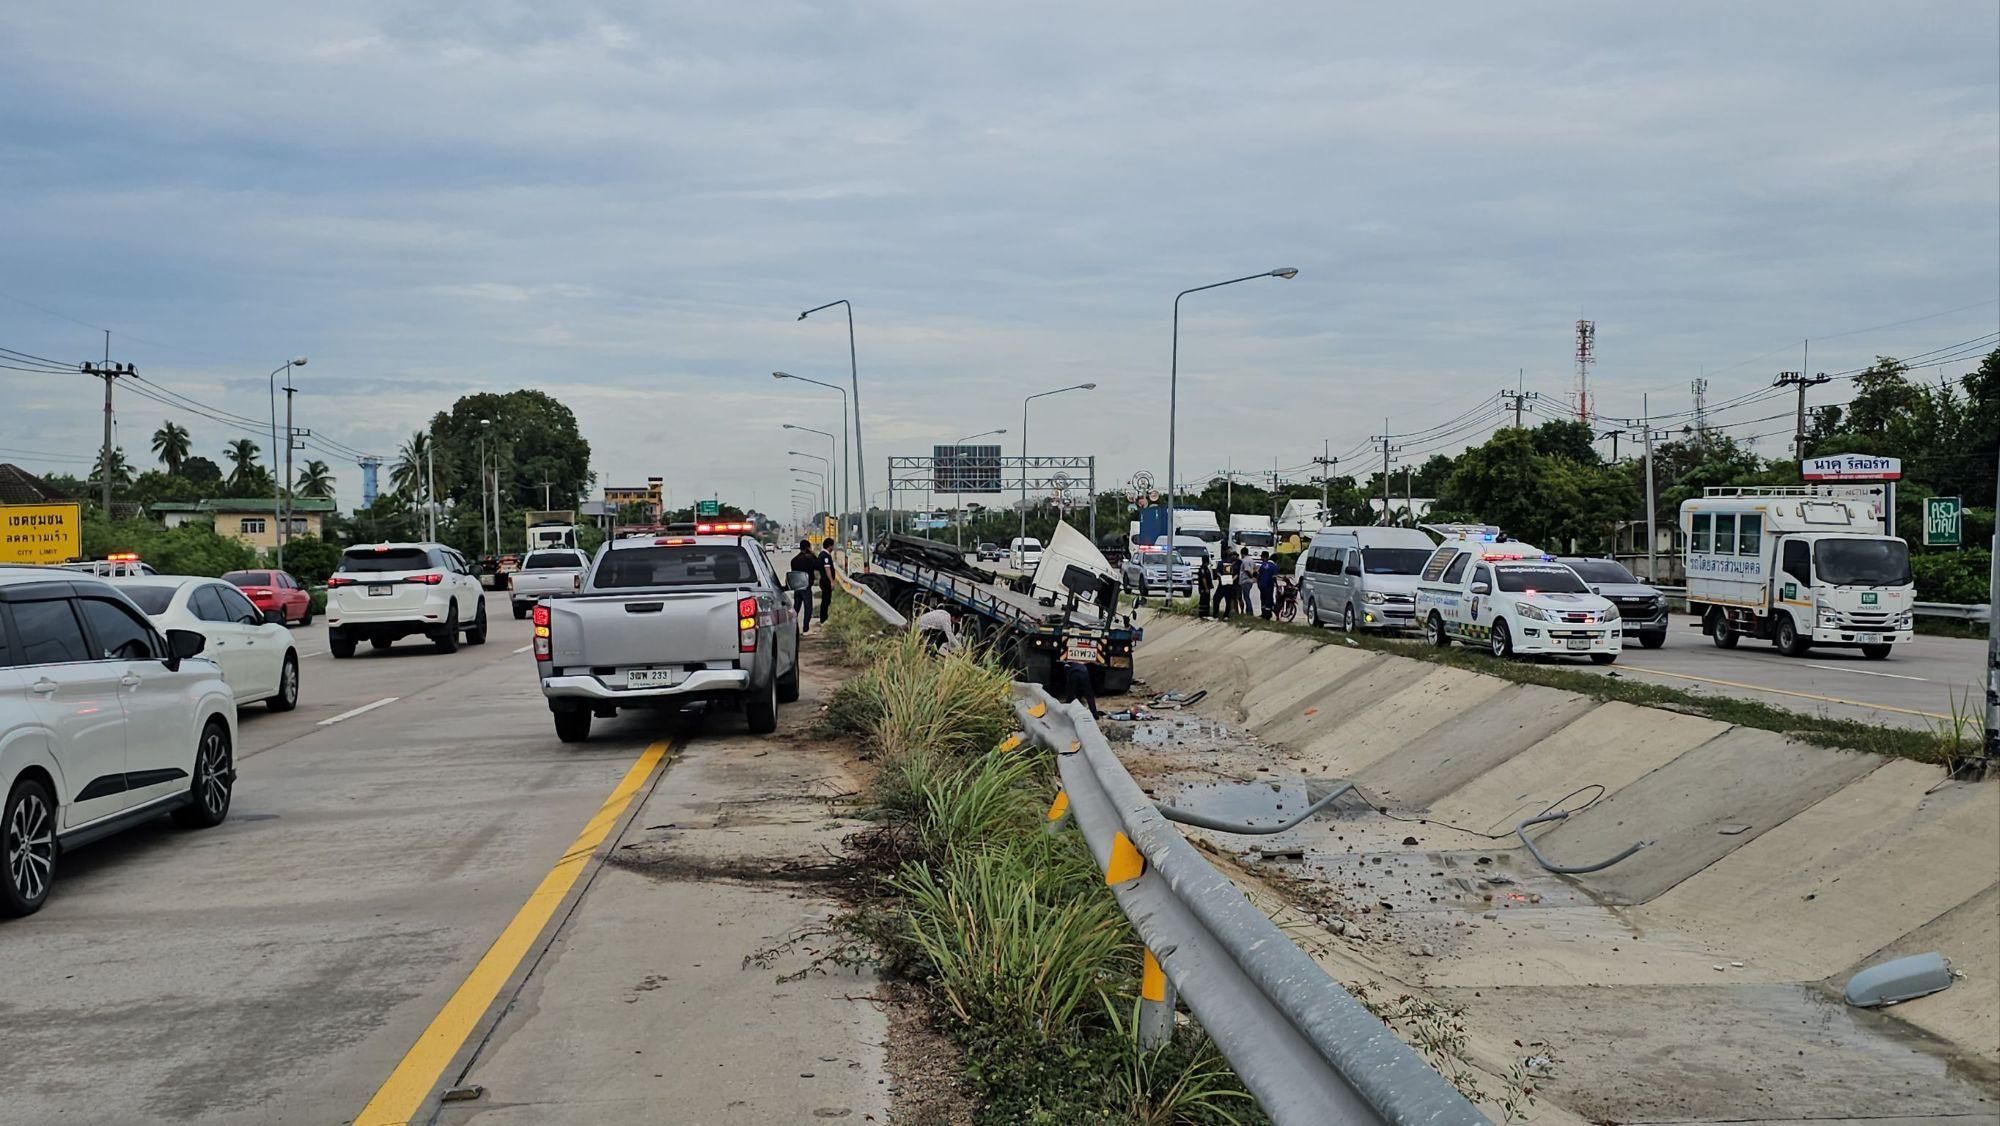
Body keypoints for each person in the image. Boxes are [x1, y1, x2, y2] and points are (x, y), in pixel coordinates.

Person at [788, 539, 821, 632]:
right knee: (808, 608)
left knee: (796, 608)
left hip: (797, 587)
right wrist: (813, 554)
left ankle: (793, 627)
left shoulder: (794, 560)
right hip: (806, 587)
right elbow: (818, 566)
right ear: (807, 548)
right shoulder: (809, 558)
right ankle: (805, 627)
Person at [817, 537, 838, 625]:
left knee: (826, 599)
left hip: (824, 580)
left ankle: (824, 618)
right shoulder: (825, 556)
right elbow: (827, 569)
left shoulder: (823, 554)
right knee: (825, 600)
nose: (833, 548)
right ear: (829, 546)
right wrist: (831, 581)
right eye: (832, 546)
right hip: (826, 581)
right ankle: (823, 619)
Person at [1257, 550, 1279, 620]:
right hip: (1269, 586)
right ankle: (1267, 615)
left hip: (1261, 586)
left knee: (1263, 599)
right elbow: (1274, 578)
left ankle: (1263, 614)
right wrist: (1277, 586)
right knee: (1268, 601)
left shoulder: (1263, 565)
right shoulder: (1274, 567)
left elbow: (1259, 575)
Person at [1215, 550, 1237, 619]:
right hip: (1229, 583)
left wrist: (1220, 577)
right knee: (1228, 600)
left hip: (1222, 584)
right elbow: (1235, 574)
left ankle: (1215, 614)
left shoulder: (1221, 563)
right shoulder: (1231, 564)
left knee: (1216, 599)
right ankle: (1226, 615)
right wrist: (1232, 579)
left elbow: (1217, 572)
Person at [1195, 554, 1215, 618]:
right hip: (1203, 588)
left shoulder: (1206, 568)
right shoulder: (1203, 569)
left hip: (1206, 588)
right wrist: (1206, 588)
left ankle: (1206, 613)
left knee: (1207, 601)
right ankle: (1203, 614)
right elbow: (1204, 579)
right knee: (1204, 601)